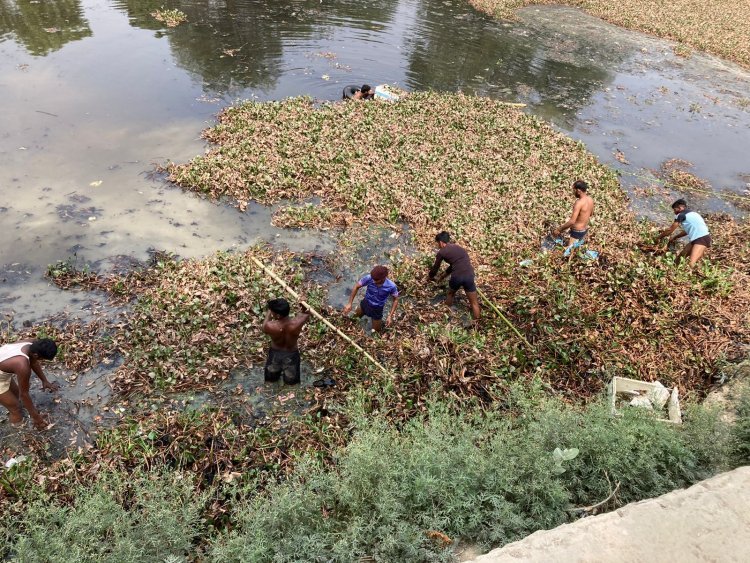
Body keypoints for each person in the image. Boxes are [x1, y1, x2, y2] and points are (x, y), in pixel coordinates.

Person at [0, 338, 59, 430]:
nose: (41, 361)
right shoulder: (22, 365)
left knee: (16, 397)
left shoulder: (31, 343)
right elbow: (24, 394)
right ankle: (16, 434)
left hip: (2, 372)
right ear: (36, 355)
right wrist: (36, 417)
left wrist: (44, 380)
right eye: (42, 359)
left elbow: (33, 362)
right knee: (16, 409)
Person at [428, 232, 480, 321]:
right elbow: (455, 264)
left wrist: (430, 277)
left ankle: (447, 315)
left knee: (450, 294)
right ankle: (477, 323)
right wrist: (443, 276)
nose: (437, 246)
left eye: (437, 243)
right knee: (474, 302)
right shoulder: (458, 248)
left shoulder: (442, 252)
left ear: (440, 242)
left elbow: (435, 267)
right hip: (469, 275)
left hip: (457, 276)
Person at [262, 298, 310, 385]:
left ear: (278, 316)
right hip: (291, 355)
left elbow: (264, 327)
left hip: (275, 354)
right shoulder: (297, 322)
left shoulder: (270, 326)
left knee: (270, 380)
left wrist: (269, 311)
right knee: (291, 382)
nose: (271, 313)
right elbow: (306, 312)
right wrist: (303, 305)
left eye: (273, 312)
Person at [342, 265, 399, 333]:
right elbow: (356, 286)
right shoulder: (369, 278)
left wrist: (390, 316)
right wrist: (349, 303)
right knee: (353, 320)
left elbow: (396, 299)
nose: (374, 281)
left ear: (384, 278)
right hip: (365, 303)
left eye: (376, 280)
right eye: (373, 279)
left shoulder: (391, 286)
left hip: (377, 309)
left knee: (376, 332)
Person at [657, 199, 711, 266]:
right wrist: (675, 237)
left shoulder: (681, 215)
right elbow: (687, 231)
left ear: (680, 207)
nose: (674, 212)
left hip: (701, 239)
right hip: (698, 239)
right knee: (681, 256)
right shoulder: (693, 214)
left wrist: (658, 238)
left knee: (691, 263)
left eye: (675, 209)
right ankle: (673, 271)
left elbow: (670, 230)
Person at [553, 180, 595, 258]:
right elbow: (591, 214)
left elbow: (572, 221)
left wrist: (559, 229)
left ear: (578, 190)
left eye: (574, 190)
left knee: (569, 254)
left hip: (576, 232)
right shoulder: (590, 199)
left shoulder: (578, 203)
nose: (573, 192)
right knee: (577, 249)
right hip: (584, 230)